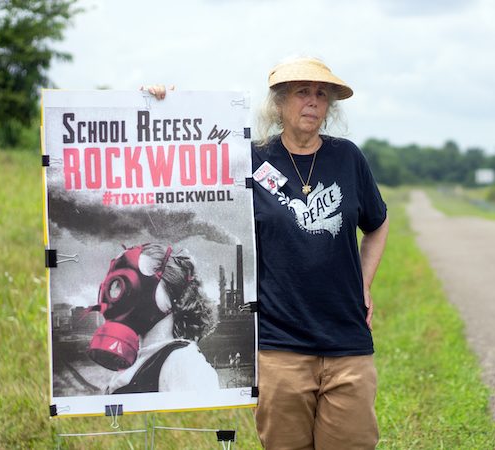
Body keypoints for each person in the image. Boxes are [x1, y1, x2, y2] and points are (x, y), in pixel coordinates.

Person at [148, 56, 389, 449]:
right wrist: (165, 107)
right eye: (301, 92)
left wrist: (363, 284)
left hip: (347, 344)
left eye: (321, 94)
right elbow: (184, 166)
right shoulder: (250, 159)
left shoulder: (348, 158)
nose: (312, 102)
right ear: (278, 103)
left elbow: (377, 224)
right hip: (281, 347)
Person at [87, 243, 220, 394]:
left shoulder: (184, 363)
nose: (119, 293)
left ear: (173, 294)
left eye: (137, 280)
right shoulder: (141, 360)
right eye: (117, 283)